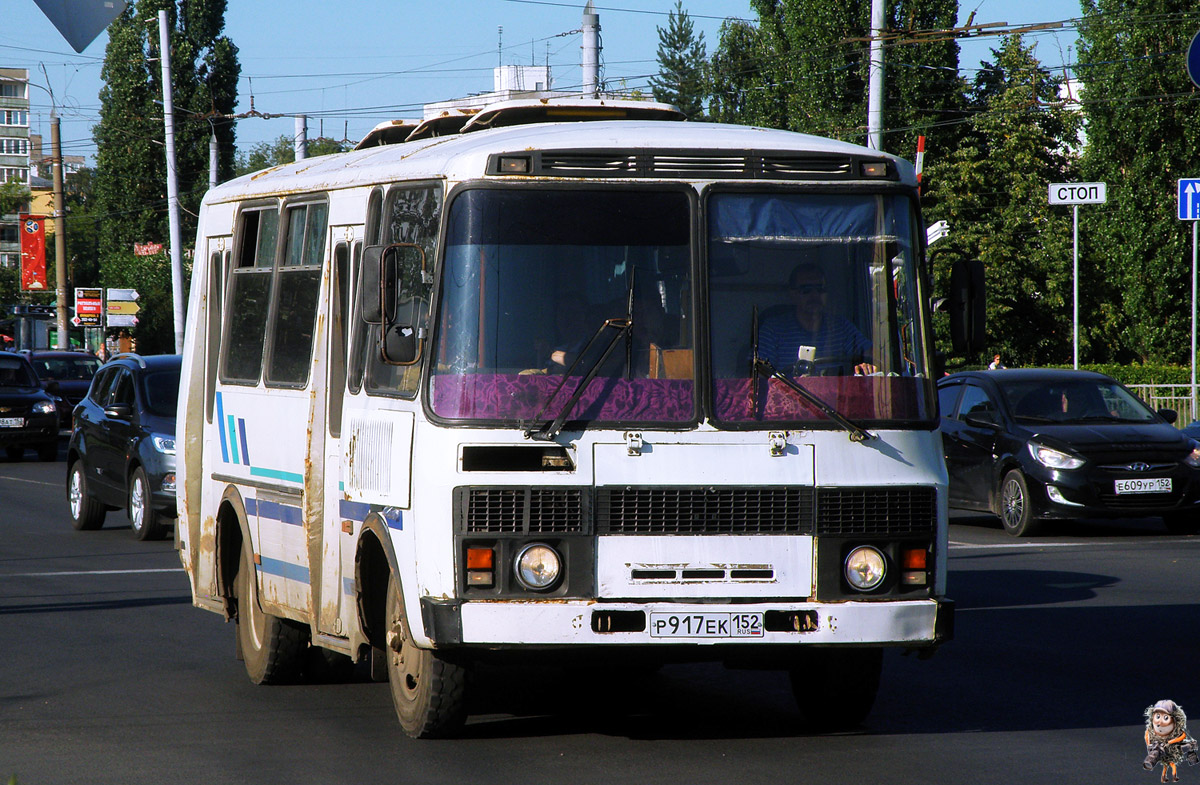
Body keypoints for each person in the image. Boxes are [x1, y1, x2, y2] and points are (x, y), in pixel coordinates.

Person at [757, 263, 873, 376]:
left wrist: (866, 365)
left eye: (820, 289)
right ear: (792, 294)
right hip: (787, 395)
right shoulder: (773, 330)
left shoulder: (841, 327)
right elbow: (760, 372)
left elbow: (873, 355)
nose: (814, 295)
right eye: (806, 290)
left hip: (834, 394)